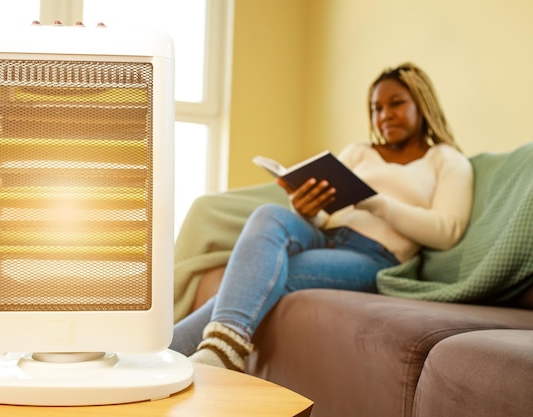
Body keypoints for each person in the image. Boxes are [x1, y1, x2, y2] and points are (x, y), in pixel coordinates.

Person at [169, 62, 474, 372]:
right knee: (269, 214)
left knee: (259, 279)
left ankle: (169, 353)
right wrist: (307, 209)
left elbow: (447, 230)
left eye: (396, 104)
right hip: (325, 235)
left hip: (373, 256)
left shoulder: (447, 159)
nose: (384, 115)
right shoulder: (359, 152)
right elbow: (329, 218)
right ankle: (216, 351)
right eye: (376, 108)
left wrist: (375, 203)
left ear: (422, 103)